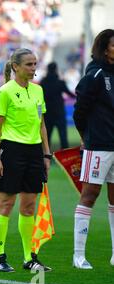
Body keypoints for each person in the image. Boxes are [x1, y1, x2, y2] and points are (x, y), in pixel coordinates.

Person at [0, 48, 52, 273]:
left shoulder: (38, 91)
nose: (33, 68)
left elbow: (42, 125)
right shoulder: (4, 92)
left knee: (28, 207)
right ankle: (0, 258)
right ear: (15, 66)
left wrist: (46, 154)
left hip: (34, 152)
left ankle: (30, 257)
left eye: (35, 64)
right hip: (12, 151)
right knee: (6, 204)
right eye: (28, 64)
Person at [72, 29, 114, 269]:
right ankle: (78, 255)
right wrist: (86, 137)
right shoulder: (95, 74)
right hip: (98, 145)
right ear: (104, 48)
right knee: (90, 194)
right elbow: (80, 111)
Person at [40, 62, 76, 150]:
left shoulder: (43, 82)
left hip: (47, 112)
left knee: (47, 135)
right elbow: (69, 94)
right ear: (56, 70)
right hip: (59, 112)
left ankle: (47, 154)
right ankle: (65, 154)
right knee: (63, 135)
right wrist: (79, 95)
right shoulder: (60, 82)